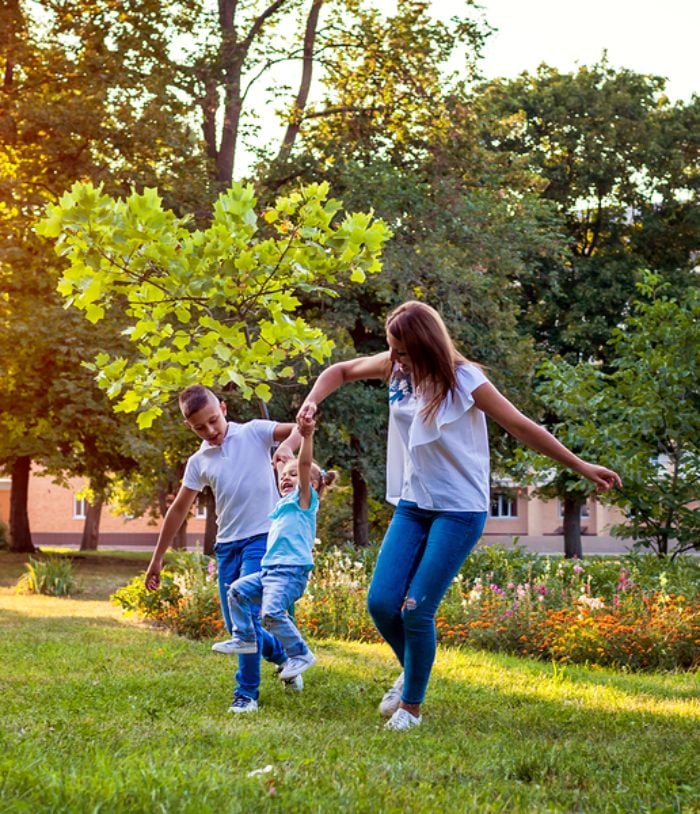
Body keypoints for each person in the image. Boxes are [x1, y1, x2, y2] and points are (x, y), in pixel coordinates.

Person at [297, 301, 622, 732]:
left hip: (459, 510)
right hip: (413, 503)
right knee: (381, 602)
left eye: (403, 352)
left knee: (416, 609)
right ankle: (411, 672)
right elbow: (338, 371)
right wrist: (311, 403)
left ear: (427, 347)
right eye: (392, 351)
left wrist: (581, 466)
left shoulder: (465, 380)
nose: (394, 360)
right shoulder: (396, 370)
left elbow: (522, 426)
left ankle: (410, 708)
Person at [145, 384, 303, 713]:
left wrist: (286, 449)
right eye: (200, 427)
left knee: (245, 621)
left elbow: (301, 429)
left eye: (214, 420)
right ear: (190, 427)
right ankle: (285, 655)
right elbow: (177, 509)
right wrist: (157, 559)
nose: (211, 431)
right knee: (237, 626)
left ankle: (246, 695)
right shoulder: (199, 461)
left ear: (225, 409)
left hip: (262, 539)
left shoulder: (255, 433)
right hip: (227, 547)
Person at [216, 415, 336, 686]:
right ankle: (245, 639)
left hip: (290, 573)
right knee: (235, 591)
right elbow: (283, 467)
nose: (286, 479)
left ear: (312, 485)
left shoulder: (304, 502)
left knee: (270, 615)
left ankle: (300, 653)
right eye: (283, 477)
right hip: (269, 572)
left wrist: (305, 437)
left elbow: (304, 463)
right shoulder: (281, 506)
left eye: (295, 476)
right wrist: (282, 461)